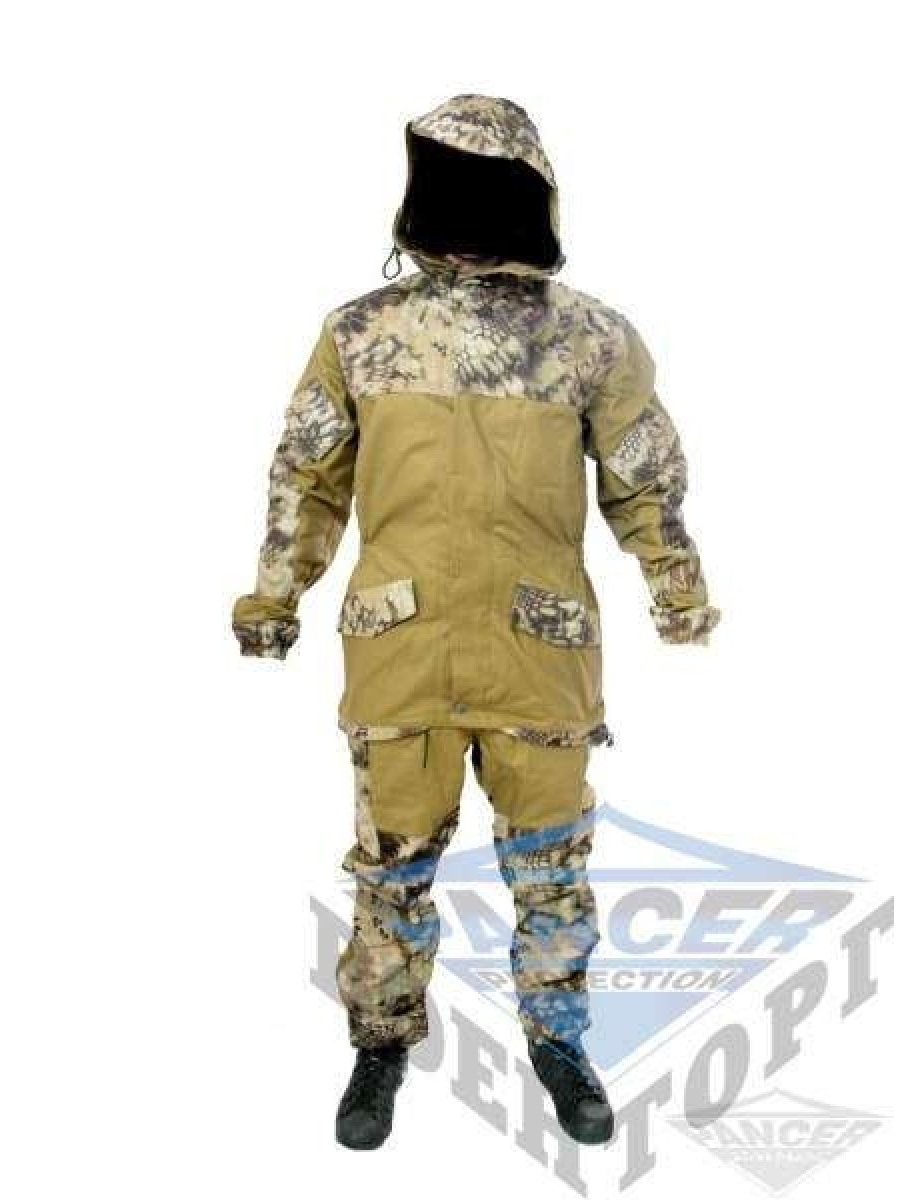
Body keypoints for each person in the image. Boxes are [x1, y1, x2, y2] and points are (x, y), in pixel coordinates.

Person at [232, 94, 718, 1151]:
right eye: (451, 185)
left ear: (530, 197)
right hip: (401, 648)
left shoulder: (589, 338)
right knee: (389, 866)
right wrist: (273, 598)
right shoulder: (361, 335)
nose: (468, 210)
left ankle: (559, 1043)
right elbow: (307, 475)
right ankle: (380, 1042)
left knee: (552, 865)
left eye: (489, 189)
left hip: (537, 652)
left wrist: (676, 587)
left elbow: (644, 475)